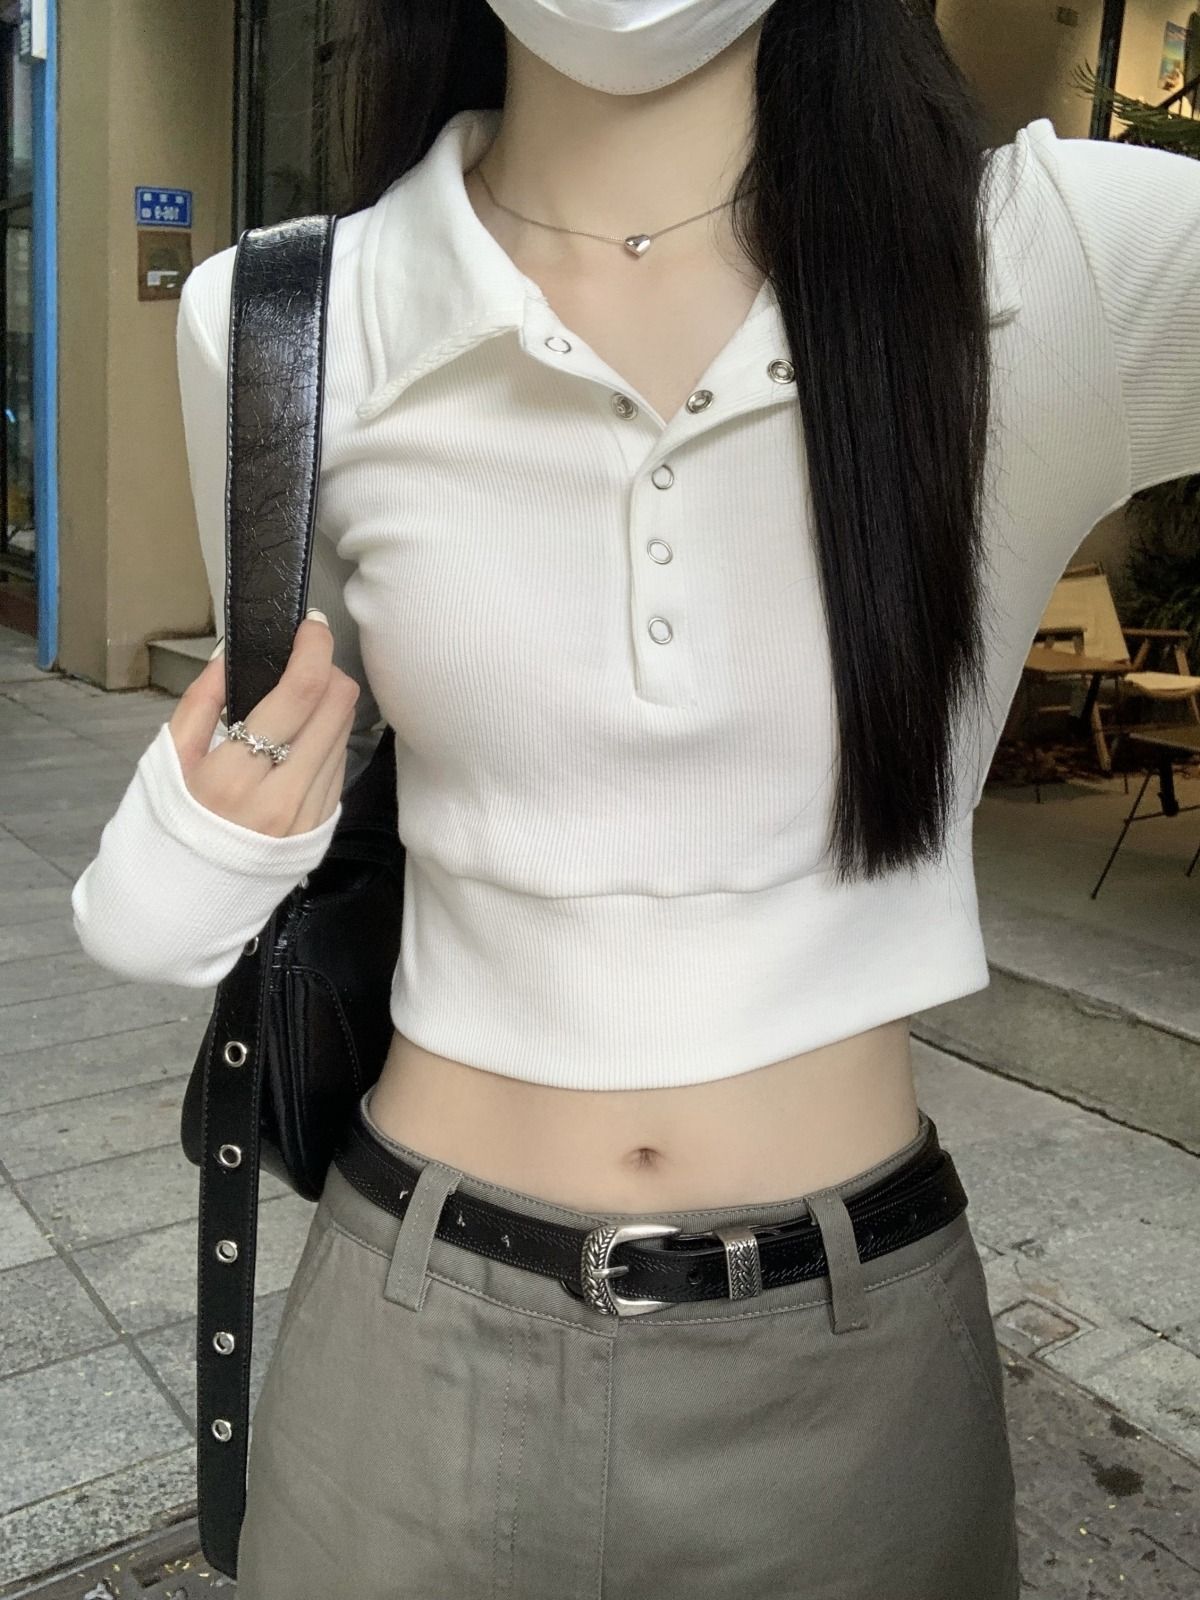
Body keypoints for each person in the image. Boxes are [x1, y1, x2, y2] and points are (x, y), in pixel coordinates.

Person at [69, 2, 1200, 1596]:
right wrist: (180, 861)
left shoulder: (1055, 261)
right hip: (410, 1349)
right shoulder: (287, 315)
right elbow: (268, 757)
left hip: (854, 1385)